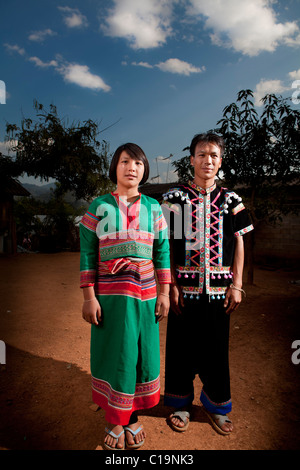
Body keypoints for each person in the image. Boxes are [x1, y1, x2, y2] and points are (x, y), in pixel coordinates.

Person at [80, 143, 171, 450]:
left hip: (145, 296)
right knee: (116, 355)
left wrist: (165, 292)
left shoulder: (154, 208)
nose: (131, 167)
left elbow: (162, 252)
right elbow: (88, 254)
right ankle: (115, 418)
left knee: (140, 354)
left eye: (137, 162)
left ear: (144, 170)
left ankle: (131, 417)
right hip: (110, 297)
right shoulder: (98, 207)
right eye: (124, 161)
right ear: (114, 168)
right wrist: (89, 297)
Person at [162, 132, 254, 435]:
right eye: (202, 154)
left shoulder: (231, 199)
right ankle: (180, 404)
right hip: (183, 290)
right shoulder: (175, 198)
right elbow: (167, 244)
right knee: (180, 349)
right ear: (191, 160)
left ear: (221, 160)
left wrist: (237, 284)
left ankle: (216, 407)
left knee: (216, 349)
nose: (208, 160)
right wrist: (171, 284)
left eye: (213, 155)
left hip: (219, 292)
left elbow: (240, 242)